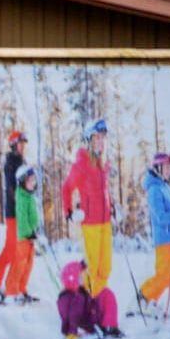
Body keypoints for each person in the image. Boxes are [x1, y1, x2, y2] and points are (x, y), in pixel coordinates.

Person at [61, 118, 113, 298]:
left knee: (105, 267)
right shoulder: (82, 163)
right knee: (92, 267)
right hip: (90, 223)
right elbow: (67, 187)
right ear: (89, 140)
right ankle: (86, 301)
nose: (100, 142)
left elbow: (104, 192)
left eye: (102, 138)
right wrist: (69, 211)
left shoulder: (102, 164)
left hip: (106, 222)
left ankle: (95, 301)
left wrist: (112, 208)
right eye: (97, 138)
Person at [0, 131, 28, 298]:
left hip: (20, 212)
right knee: (11, 249)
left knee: (19, 250)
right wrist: (20, 204)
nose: (23, 146)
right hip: (13, 212)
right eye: (21, 143)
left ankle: (14, 284)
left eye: (24, 143)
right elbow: (12, 189)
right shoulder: (11, 163)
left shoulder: (21, 162)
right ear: (13, 145)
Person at [138, 152, 170, 309]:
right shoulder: (155, 190)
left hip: (169, 236)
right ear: (157, 167)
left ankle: (149, 298)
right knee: (164, 276)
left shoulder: (165, 187)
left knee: (168, 276)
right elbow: (161, 216)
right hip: (162, 237)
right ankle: (144, 295)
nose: (169, 170)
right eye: (166, 167)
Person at [2, 164, 41, 306]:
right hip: (23, 237)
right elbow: (22, 218)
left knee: (28, 265)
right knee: (19, 264)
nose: (33, 183)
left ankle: (21, 288)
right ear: (23, 182)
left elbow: (33, 216)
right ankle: (11, 292)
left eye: (34, 180)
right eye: (30, 181)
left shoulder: (29, 196)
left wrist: (35, 230)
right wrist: (29, 232)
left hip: (30, 236)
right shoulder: (22, 197)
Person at [57, 259, 122, 339]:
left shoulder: (79, 293)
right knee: (106, 294)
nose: (84, 278)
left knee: (106, 294)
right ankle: (108, 326)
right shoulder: (76, 297)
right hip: (90, 322)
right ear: (75, 279)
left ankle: (109, 325)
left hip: (91, 316)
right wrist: (72, 332)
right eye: (81, 277)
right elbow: (73, 315)